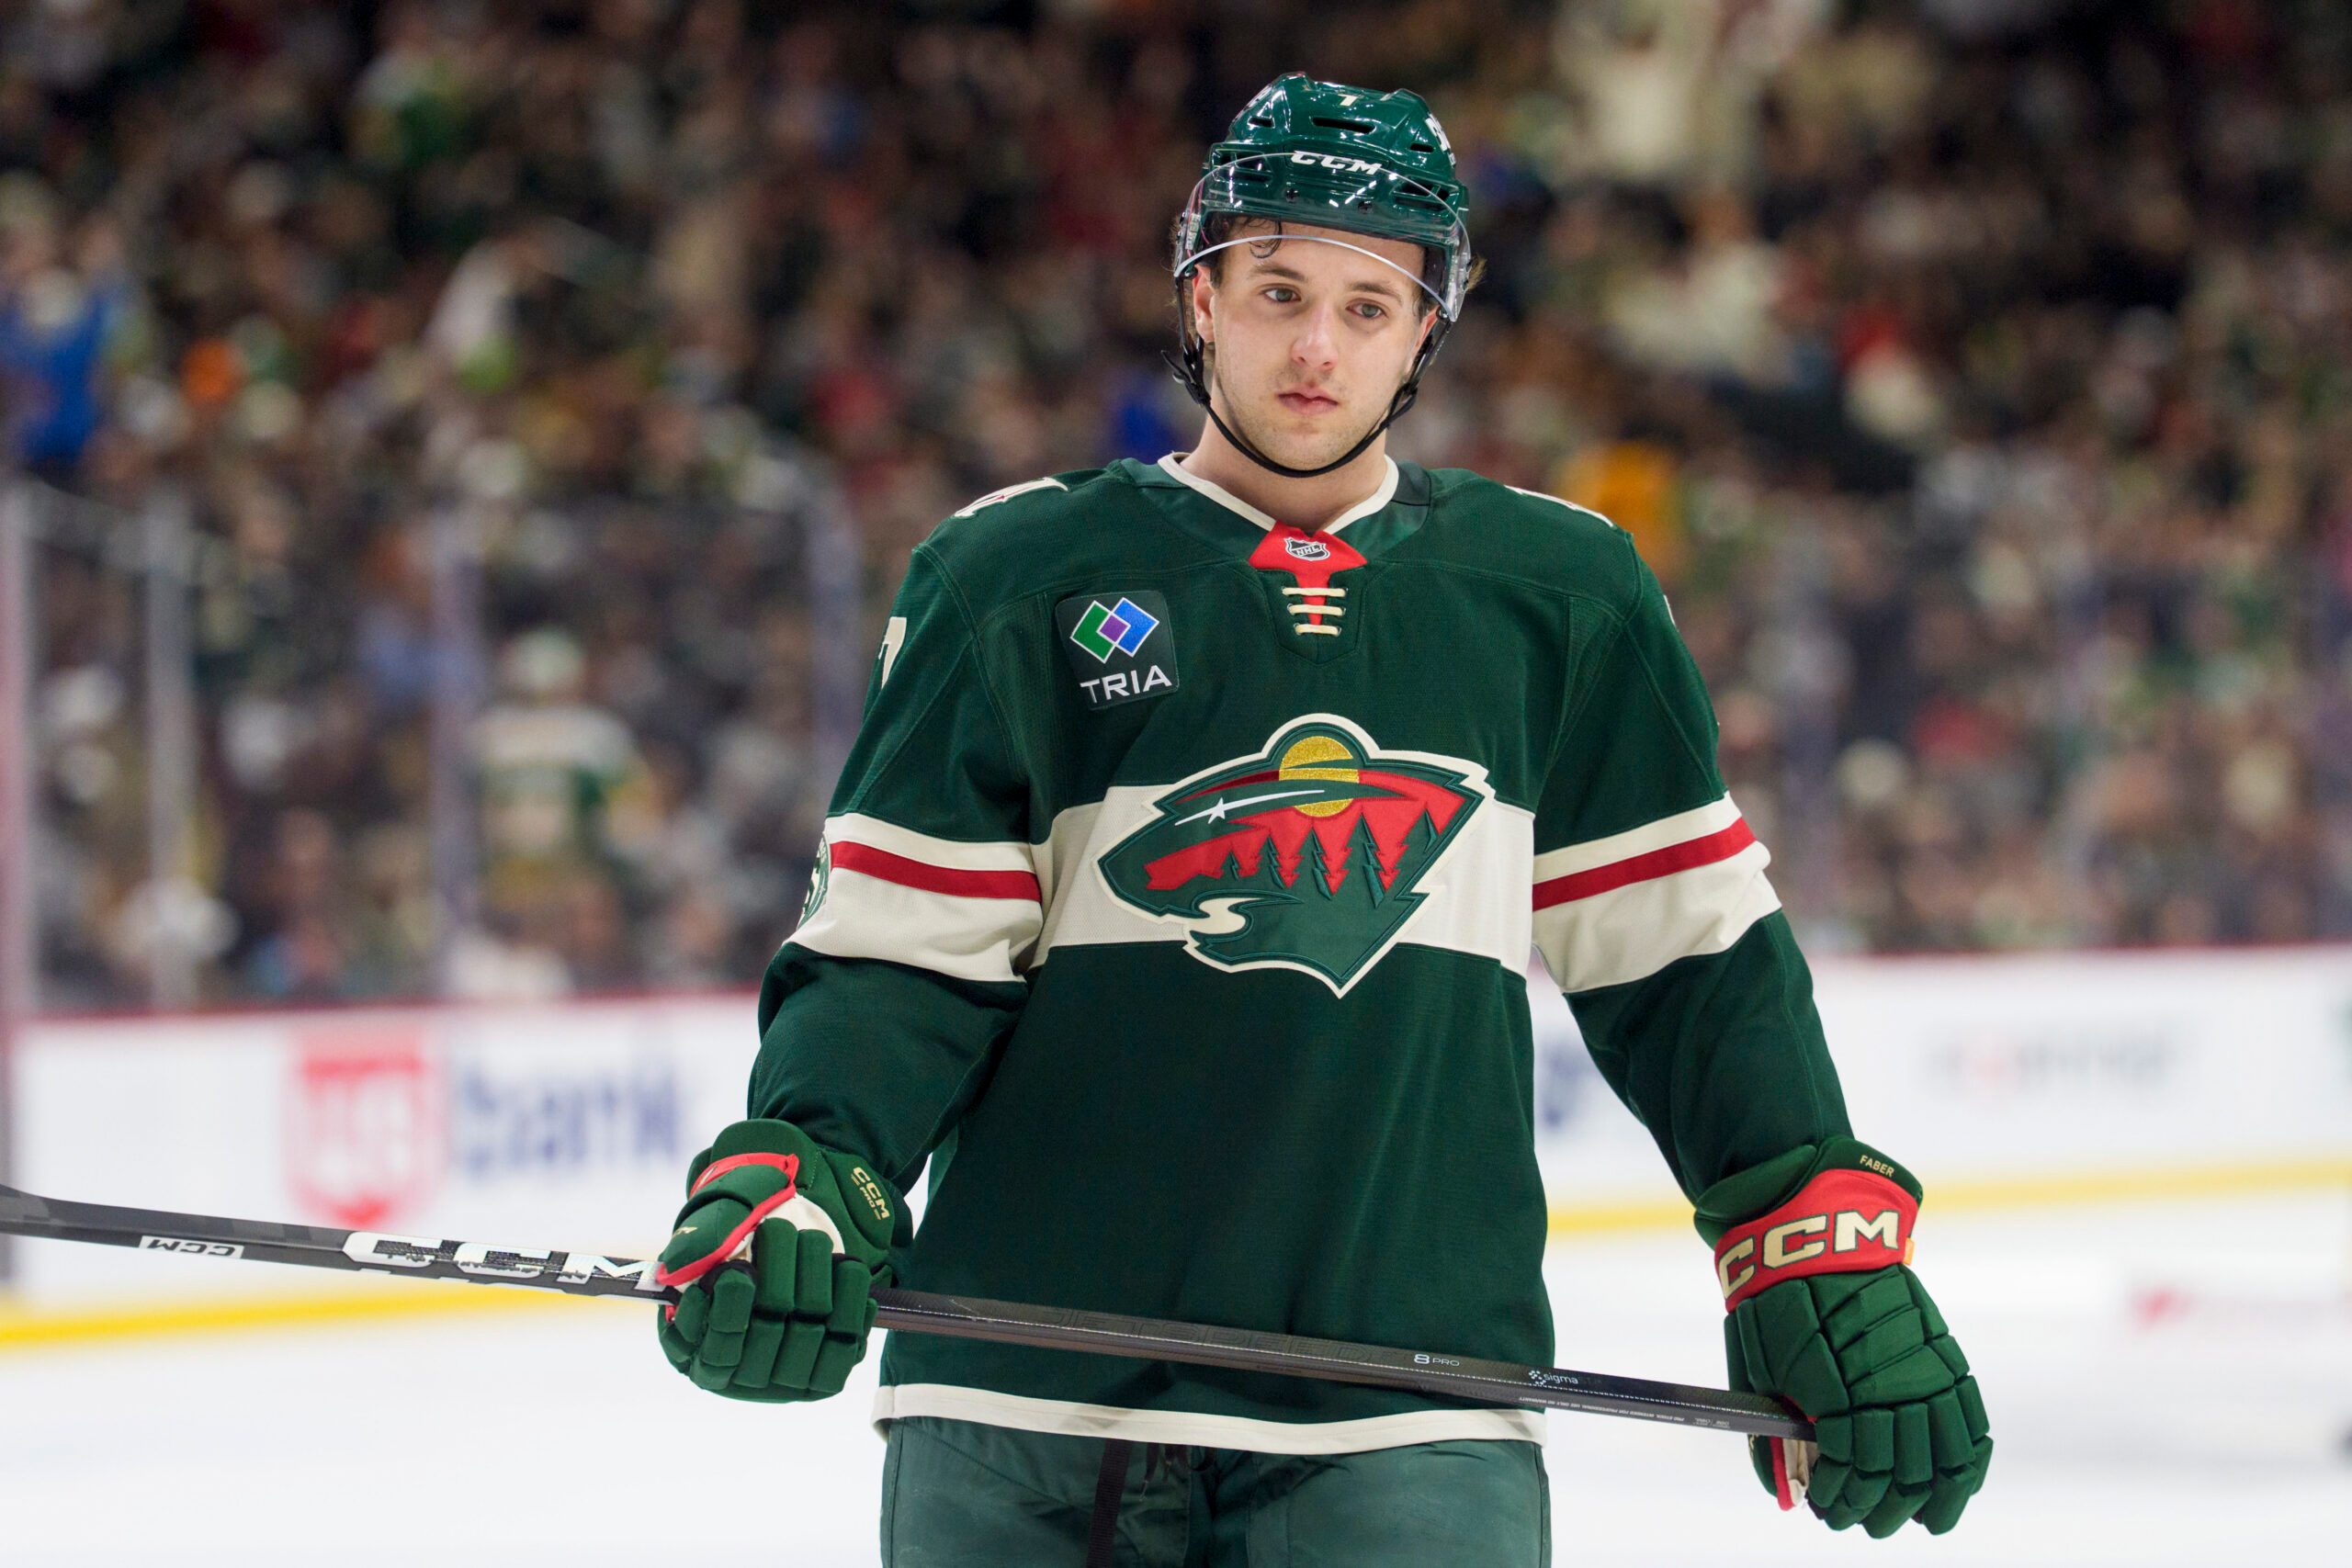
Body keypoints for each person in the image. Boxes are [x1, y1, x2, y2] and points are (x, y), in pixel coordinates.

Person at [650, 73, 1992, 1564]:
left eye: (1368, 307)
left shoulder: (1561, 597)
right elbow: (902, 957)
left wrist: (1803, 1229)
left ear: (1429, 330)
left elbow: (1691, 963)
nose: (1314, 347)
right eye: (1278, 288)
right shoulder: (1009, 580)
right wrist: (808, 1168)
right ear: (1201, 294)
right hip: (1027, 1409)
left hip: (1410, 1423)